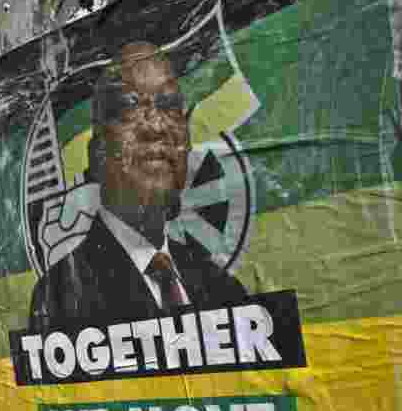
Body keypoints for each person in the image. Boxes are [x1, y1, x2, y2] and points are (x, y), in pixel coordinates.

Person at [29, 41, 247, 332]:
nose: (156, 126)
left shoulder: (224, 291)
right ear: (96, 154)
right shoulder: (60, 297)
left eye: (170, 106)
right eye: (130, 106)